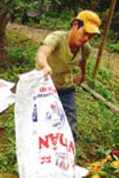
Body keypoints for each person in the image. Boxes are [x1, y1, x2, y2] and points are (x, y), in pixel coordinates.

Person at [35, 10, 101, 142]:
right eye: (85, 33)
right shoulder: (57, 38)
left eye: (90, 36)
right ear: (75, 25)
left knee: (70, 125)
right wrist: (45, 66)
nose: (86, 38)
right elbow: (41, 54)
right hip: (44, 88)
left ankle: (68, 155)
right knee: (42, 124)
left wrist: (82, 73)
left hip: (65, 87)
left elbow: (83, 60)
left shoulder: (85, 48)